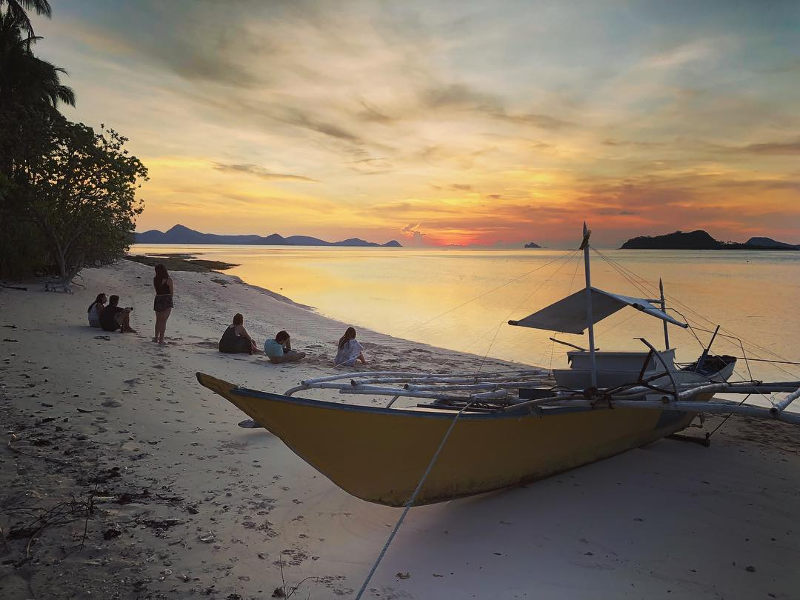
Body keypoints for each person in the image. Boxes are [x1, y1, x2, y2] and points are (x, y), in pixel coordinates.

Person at [153, 263, 174, 345]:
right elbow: (171, 292)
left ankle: (155, 338)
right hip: (166, 299)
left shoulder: (155, 279)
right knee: (163, 321)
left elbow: (156, 290)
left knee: (158, 320)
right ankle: (161, 340)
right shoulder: (169, 280)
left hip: (158, 298)